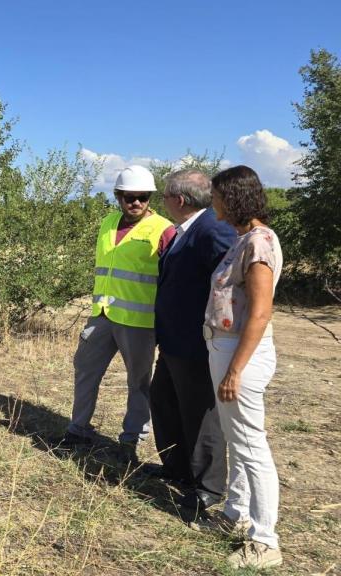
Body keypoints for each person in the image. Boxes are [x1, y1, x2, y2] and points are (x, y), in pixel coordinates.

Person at [62, 165, 175, 459]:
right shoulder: (108, 223)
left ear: (150, 198)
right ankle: (78, 430)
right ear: (118, 196)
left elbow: (173, 278)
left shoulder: (164, 230)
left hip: (138, 321)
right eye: (129, 197)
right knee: (84, 370)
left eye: (142, 197)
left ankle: (131, 440)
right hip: (102, 314)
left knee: (139, 382)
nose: (135, 202)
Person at [205, 165, 284, 569]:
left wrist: (235, 369)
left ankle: (266, 540)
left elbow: (259, 312)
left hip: (241, 354)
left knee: (252, 446)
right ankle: (237, 514)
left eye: (217, 195)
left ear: (232, 198)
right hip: (228, 350)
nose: (213, 202)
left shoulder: (258, 244)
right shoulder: (245, 240)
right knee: (238, 439)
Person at [147, 170, 236, 515]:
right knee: (164, 400)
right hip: (173, 342)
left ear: (179, 200)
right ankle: (177, 468)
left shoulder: (213, 230)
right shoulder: (188, 231)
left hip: (195, 343)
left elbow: (233, 278)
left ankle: (209, 487)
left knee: (199, 414)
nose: (162, 200)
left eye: (165, 194)